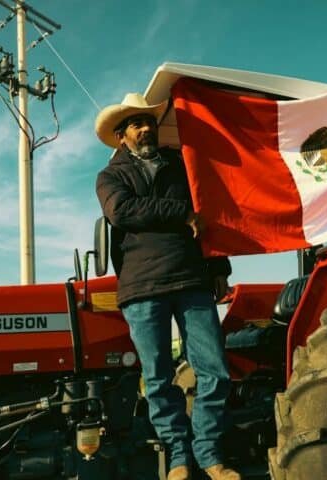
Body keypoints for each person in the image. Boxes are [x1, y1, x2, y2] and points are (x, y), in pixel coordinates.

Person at [95, 93, 240, 480]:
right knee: (158, 378)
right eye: (136, 124)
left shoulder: (181, 165)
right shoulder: (110, 177)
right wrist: (180, 213)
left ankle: (210, 455)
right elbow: (122, 211)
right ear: (121, 136)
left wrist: (219, 267)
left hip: (192, 279)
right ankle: (178, 457)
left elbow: (207, 214)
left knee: (214, 370)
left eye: (149, 122)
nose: (145, 129)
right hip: (142, 286)